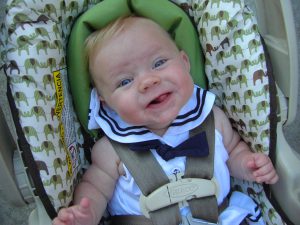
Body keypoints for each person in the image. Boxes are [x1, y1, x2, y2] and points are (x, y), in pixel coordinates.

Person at [52, 16, 278, 225]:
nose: (148, 81)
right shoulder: (110, 150)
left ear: (184, 62)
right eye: (125, 82)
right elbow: (95, 189)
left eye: (159, 63)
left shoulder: (212, 119)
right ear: (106, 103)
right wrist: (87, 214)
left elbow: (234, 152)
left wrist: (248, 164)